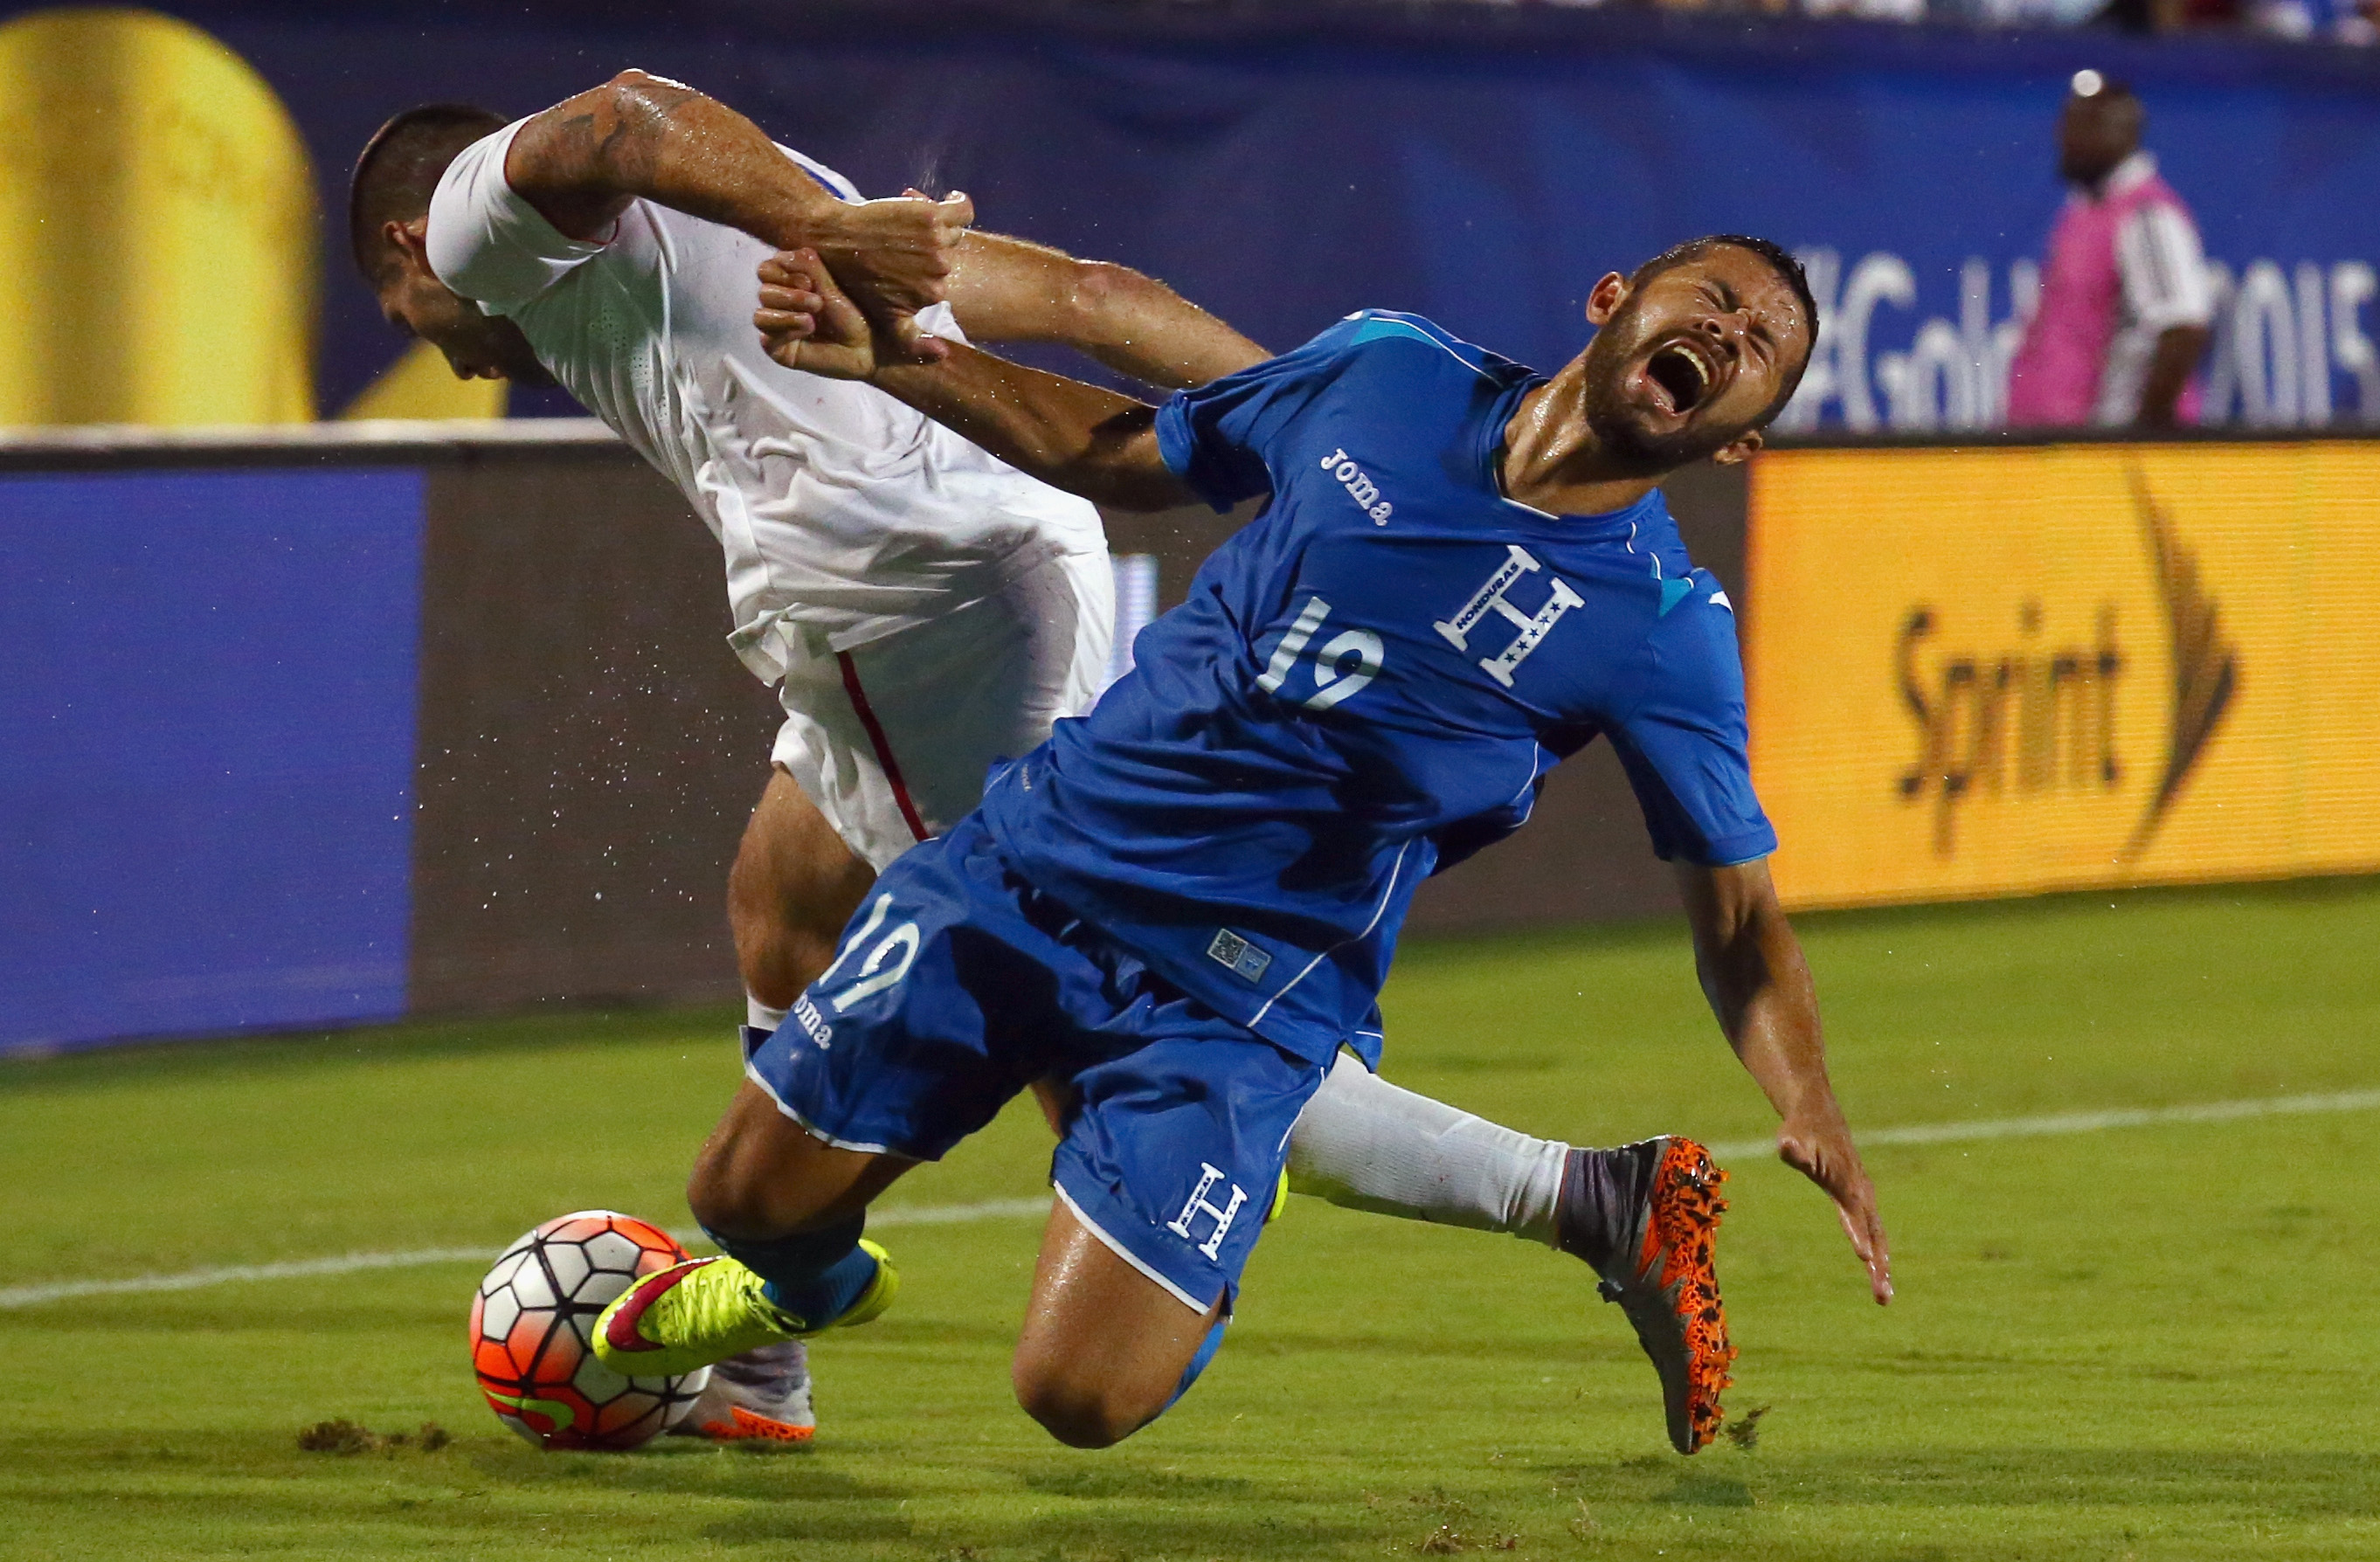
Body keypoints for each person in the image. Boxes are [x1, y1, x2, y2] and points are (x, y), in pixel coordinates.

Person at [352, 74, 1722, 1446]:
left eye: (403, 313)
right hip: (958, 577)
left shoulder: (485, 224)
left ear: (415, 246)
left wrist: (838, 234)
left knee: (1122, 1027)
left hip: (908, 608)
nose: (446, 353)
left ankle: (1581, 1198)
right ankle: (774, 1372)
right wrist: (1317, 416)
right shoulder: (748, 231)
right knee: (783, 901)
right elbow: (1085, 293)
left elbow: (633, 118)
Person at [592, 231, 1892, 1458]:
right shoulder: (1389, 373)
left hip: (1234, 994)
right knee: (746, 1203)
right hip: (1028, 869)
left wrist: (1809, 1099)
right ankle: (807, 1299)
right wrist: (895, 361)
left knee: (1079, 1400)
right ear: (1613, 301)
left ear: (1741, 441)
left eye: (1763, 347)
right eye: (1713, 304)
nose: (1728, 337)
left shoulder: (1661, 630)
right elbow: (1119, 452)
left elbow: (1739, 923)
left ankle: (1212, 1210)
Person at [2005, 72, 2214, 431]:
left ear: (2122, 133)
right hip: (2063, 451)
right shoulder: (2085, 211)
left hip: (2106, 454)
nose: (2063, 137)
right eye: (2066, 122)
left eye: (2080, 125)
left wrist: (2142, 437)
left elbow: (2182, 327)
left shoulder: (2146, 217)